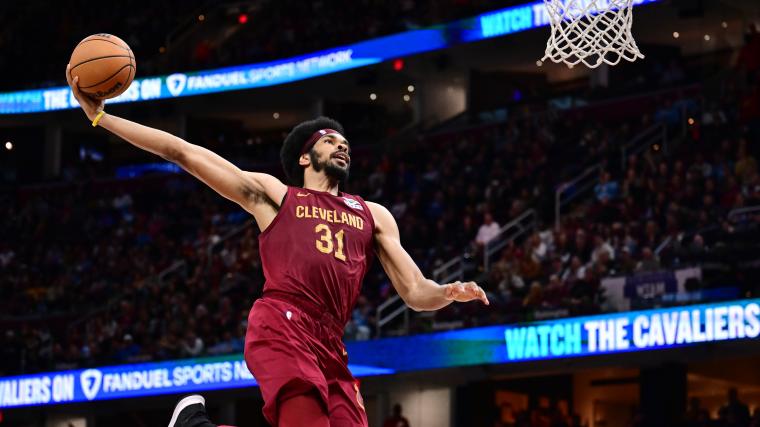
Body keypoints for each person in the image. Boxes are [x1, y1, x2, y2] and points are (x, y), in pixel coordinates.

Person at [66, 67, 489, 427]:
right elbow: (183, 152)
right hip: (283, 322)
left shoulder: (373, 215)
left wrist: (448, 292)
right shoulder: (276, 196)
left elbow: (415, 291)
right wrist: (101, 117)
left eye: (344, 142)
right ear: (305, 158)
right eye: (330, 140)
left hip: (331, 341)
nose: (341, 145)